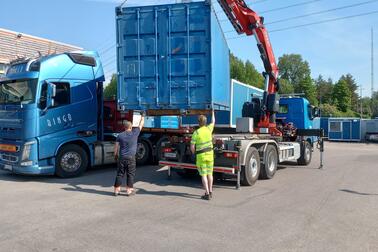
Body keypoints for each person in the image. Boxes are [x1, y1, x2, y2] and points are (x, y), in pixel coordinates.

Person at [113, 113, 145, 196]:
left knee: (120, 174)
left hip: (122, 157)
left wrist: (115, 155)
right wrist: (143, 116)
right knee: (130, 174)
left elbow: (116, 147)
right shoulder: (135, 133)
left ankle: (116, 190)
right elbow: (141, 124)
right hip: (131, 158)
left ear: (124, 127)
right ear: (131, 127)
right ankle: (129, 191)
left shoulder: (120, 135)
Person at [190, 110, 215, 200]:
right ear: (205, 122)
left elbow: (192, 147)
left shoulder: (196, 133)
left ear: (198, 123)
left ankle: (207, 194)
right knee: (210, 174)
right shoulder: (209, 129)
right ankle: (211, 191)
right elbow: (213, 122)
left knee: (203, 175)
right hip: (210, 155)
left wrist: (194, 153)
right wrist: (213, 113)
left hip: (201, 156)